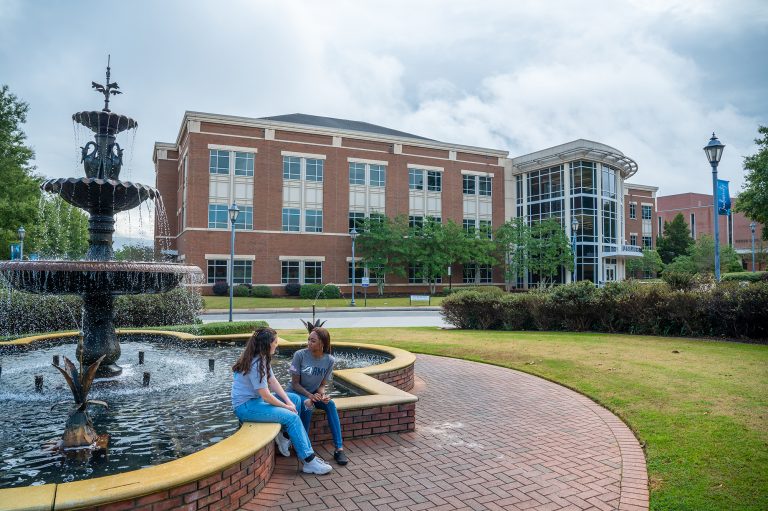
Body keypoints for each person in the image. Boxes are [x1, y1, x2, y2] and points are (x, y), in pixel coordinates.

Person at [231, 327, 332, 474]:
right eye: (275, 342)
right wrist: (285, 407)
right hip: (245, 407)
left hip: (255, 402)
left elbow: (272, 381)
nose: (277, 344)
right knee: (292, 418)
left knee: (295, 398)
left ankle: (284, 437)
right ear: (267, 344)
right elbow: (265, 395)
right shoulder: (257, 363)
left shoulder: (262, 357)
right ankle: (309, 461)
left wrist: (288, 401)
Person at [289, 327, 348, 466]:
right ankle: (304, 448)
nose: (309, 343)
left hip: (313, 394)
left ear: (322, 343)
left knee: (331, 404)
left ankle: (339, 449)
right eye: (309, 339)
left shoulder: (329, 360)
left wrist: (322, 395)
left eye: (313, 340)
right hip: (296, 393)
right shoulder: (299, 355)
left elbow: (322, 385)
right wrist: (310, 395)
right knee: (308, 404)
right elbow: (295, 383)